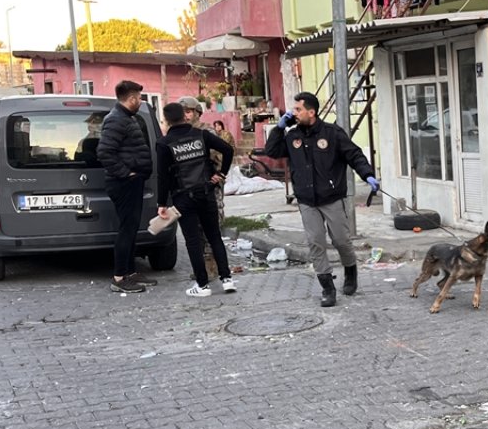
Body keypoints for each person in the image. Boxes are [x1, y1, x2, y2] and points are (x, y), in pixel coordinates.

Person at [264, 91, 380, 307]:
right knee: (315, 242)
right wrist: (279, 128)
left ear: (312, 112)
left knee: (341, 240)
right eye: (293, 109)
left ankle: (350, 271)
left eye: (298, 109)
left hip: (332, 197)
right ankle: (328, 288)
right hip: (307, 200)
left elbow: (354, 154)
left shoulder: (332, 133)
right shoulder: (292, 136)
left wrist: (368, 174)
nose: (293, 113)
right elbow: (271, 151)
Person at [155, 102, 237, 297]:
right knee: (214, 236)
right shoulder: (201, 135)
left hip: (183, 197)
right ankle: (227, 279)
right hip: (206, 192)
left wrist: (162, 203)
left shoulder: (164, 144)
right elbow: (228, 150)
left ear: (166, 120)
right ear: (184, 116)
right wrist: (221, 174)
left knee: (192, 241)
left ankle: (202, 285)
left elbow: (163, 177)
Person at [98, 80, 158, 293]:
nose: (141, 102)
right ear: (131, 98)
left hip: (132, 182)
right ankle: (119, 277)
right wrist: (127, 173)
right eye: (139, 98)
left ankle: (130, 273)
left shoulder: (125, 118)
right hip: (123, 183)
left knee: (131, 228)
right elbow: (105, 152)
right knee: (126, 229)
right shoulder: (116, 120)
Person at [178, 96, 226, 279]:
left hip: (210, 188)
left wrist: (217, 176)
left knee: (212, 228)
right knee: (195, 230)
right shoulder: (181, 134)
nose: (186, 116)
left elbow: (220, 156)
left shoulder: (208, 133)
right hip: (191, 189)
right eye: (182, 113)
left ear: (198, 113)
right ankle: (202, 268)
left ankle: (213, 267)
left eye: (188, 112)